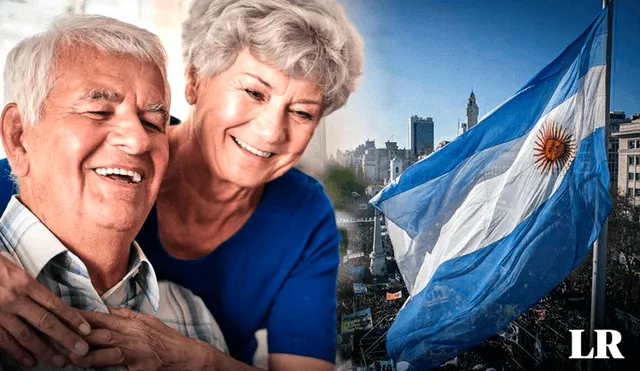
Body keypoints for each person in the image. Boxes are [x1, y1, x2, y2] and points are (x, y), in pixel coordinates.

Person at [0, 0, 363, 370]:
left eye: (302, 112)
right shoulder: (57, 163)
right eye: (254, 92)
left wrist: (200, 360)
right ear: (194, 82)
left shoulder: (302, 213)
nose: (271, 132)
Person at [0, 14, 227, 370]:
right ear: (18, 136)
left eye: (154, 123)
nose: (138, 141)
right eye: (98, 111)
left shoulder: (192, 319)